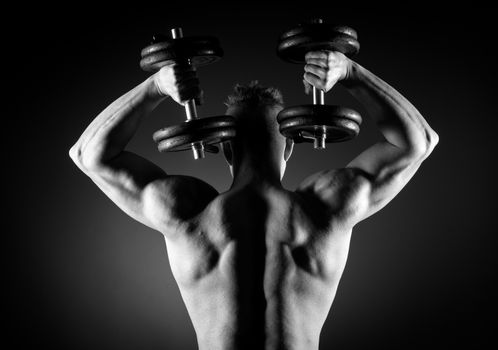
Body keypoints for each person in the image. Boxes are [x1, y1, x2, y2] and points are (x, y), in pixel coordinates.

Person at [69, 49, 439, 350]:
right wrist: (350, 71)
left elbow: (89, 155)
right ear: (291, 145)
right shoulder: (327, 205)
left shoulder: (188, 211)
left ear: (225, 147)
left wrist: (156, 87)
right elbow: (419, 141)